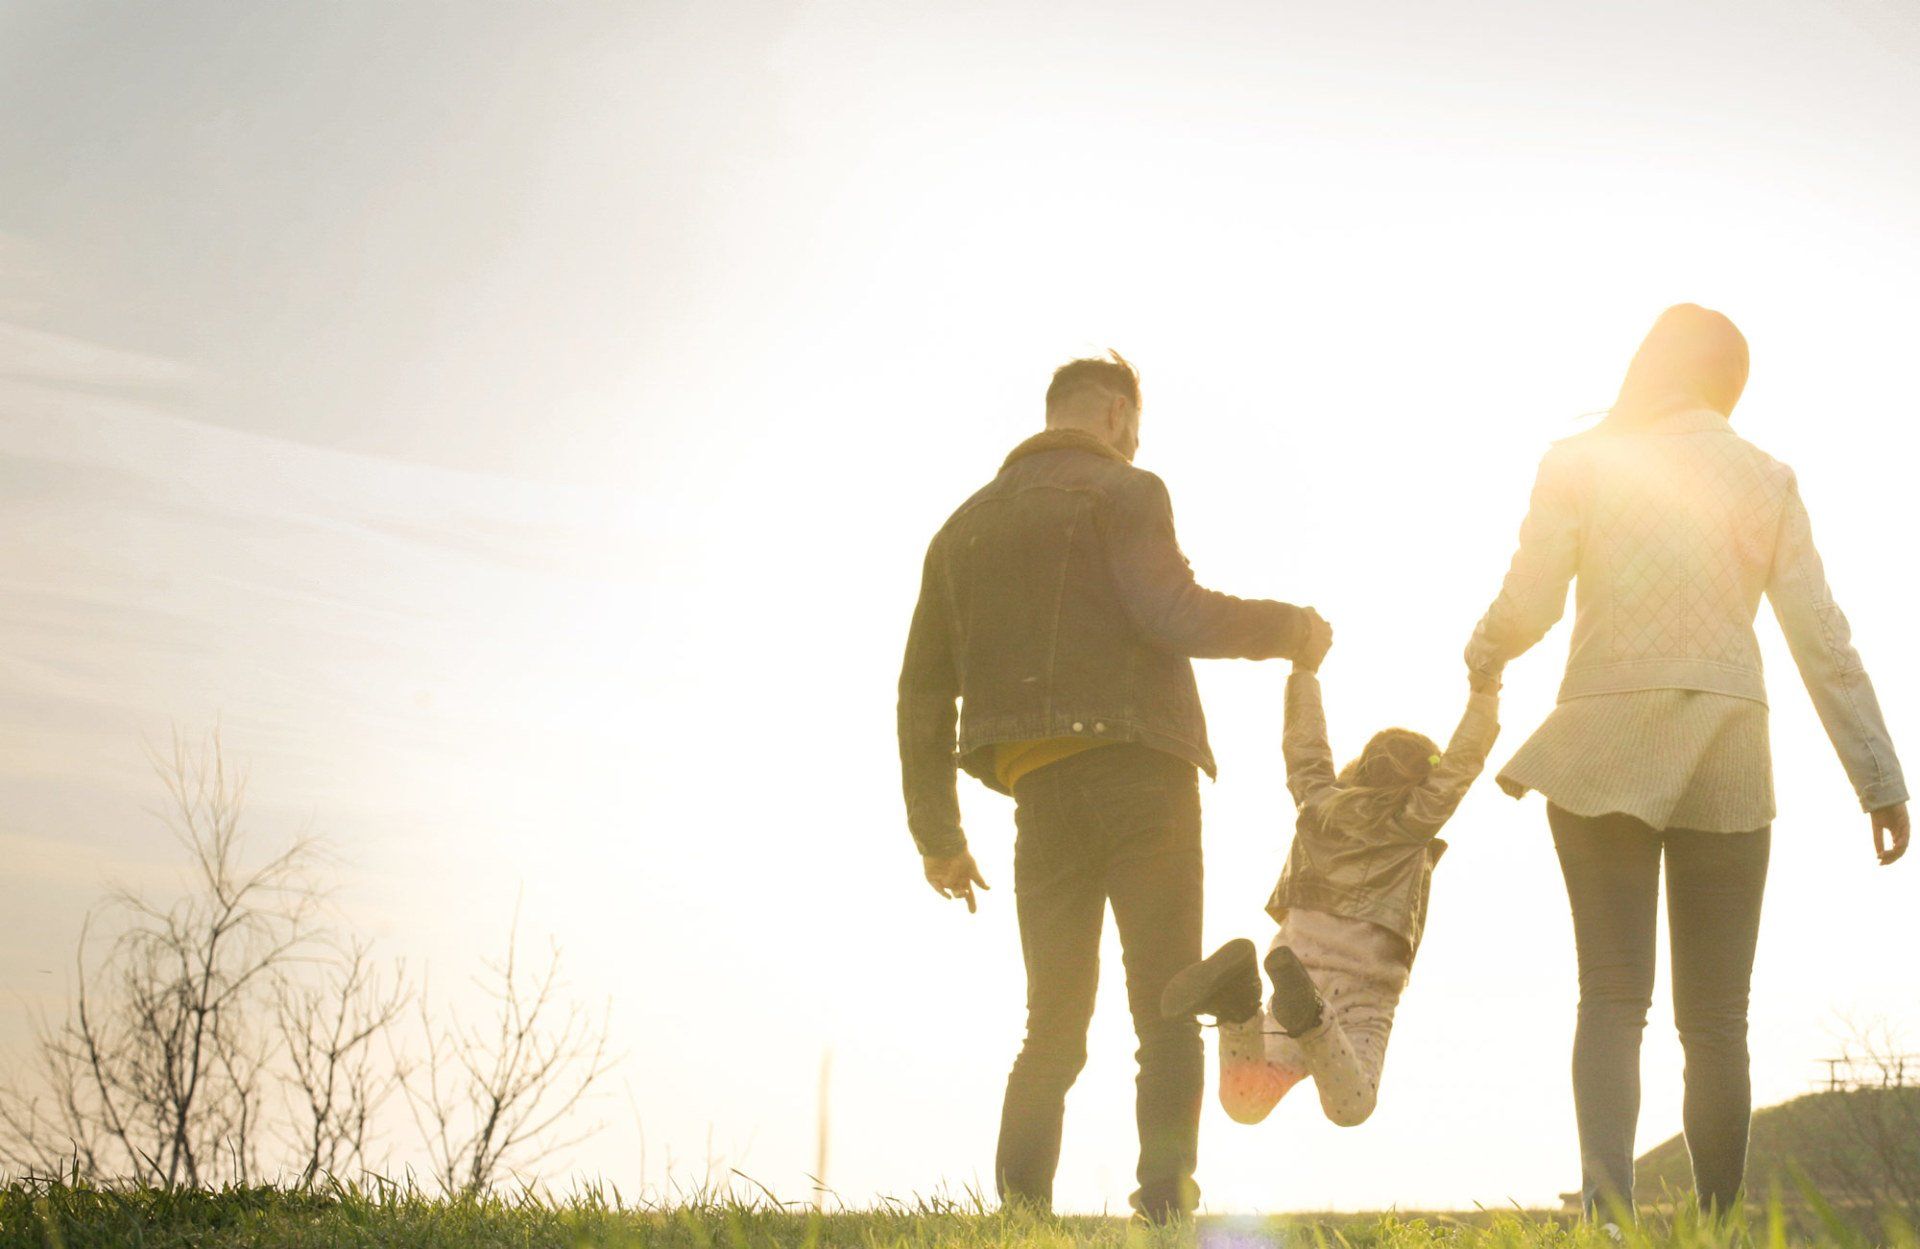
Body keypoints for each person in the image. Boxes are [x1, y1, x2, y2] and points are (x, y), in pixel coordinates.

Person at [1464, 304, 1911, 1219]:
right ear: (1732, 384)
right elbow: (1821, 638)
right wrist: (1880, 778)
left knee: (1610, 995)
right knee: (1716, 1023)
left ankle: (1606, 1216)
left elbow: (1530, 600)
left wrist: (1483, 652)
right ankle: (1717, 1227)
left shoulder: (1581, 463)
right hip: (1726, 748)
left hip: (1600, 741)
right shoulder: (1767, 477)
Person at [896, 351, 1331, 1221]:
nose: (1134, 442)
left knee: (1051, 1026)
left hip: (1041, 792)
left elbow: (920, 691)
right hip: (1142, 773)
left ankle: (1020, 1220)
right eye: (1133, 426)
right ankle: (1165, 1210)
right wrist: (1292, 629)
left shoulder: (960, 529)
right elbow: (1174, 611)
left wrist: (937, 835)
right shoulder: (1129, 492)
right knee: (1166, 1004)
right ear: (1117, 417)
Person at [1160, 644, 1499, 1130]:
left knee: (1246, 1103)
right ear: (1424, 782)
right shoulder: (1414, 823)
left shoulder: (1318, 803)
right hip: (1361, 993)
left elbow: (1305, 747)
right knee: (1352, 1107)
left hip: (1295, 971)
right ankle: (1309, 1017)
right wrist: (1485, 693)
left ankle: (1238, 1004)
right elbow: (1462, 764)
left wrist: (1304, 671)